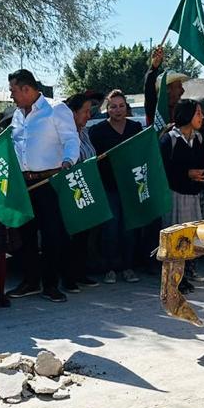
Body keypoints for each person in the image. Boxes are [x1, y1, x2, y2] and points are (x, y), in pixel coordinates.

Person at [7, 69, 78, 302]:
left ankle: (50, 284)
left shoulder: (56, 109)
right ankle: (30, 281)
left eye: (13, 91)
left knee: (51, 235)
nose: (12, 96)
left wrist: (69, 161)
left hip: (48, 181)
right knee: (26, 235)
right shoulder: (17, 114)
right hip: (23, 183)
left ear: (27, 89)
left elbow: (71, 138)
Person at [89, 88, 143, 283]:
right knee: (110, 230)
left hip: (130, 188)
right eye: (113, 107)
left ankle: (128, 267)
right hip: (108, 188)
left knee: (129, 230)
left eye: (121, 106)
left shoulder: (135, 128)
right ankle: (109, 268)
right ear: (107, 109)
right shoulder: (97, 131)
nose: (118, 110)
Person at [63, 92, 100, 290]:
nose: (88, 115)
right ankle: (69, 277)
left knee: (85, 236)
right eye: (85, 111)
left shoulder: (84, 132)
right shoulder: (63, 135)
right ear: (73, 113)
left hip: (87, 188)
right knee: (71, 237)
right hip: (71, 190)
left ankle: (81, 273)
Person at [160, 99, 204, 229]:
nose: (202, 117)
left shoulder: (199, 138)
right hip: (174, 198)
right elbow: (162, 171)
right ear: (188, 114)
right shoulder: (169, 140)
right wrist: (186, 173)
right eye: (198, 113)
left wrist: (201, 176)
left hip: (194, 198)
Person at [143, 47, 188, 129]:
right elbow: (149, 89)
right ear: (167, 89)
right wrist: (154, 67)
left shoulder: (182, 111)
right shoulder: (155, 108)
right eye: (179, 86)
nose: (182, 90)